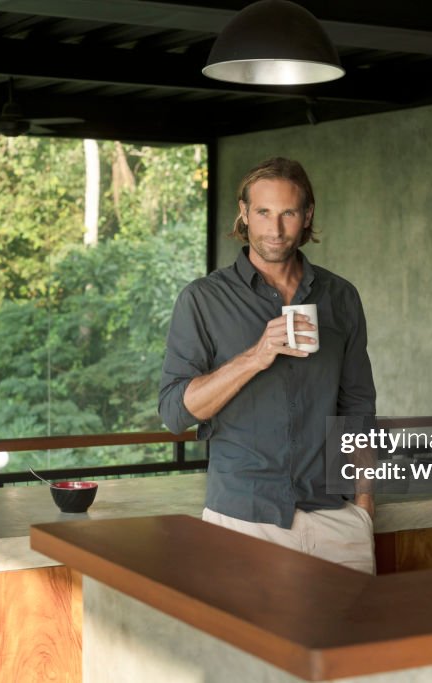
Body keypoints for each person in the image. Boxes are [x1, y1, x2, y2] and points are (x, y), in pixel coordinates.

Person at [158, 157, 377, 574]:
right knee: (241, 643)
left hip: (337, 520)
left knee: (354, 639)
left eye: (288, 213)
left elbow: (358, 409)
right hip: (243, 523)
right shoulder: (203, 300)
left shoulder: (341, 297)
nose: (274, 230)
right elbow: (174, 413)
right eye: (263, 213)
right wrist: (254, 358)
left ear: (307, 215)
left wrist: (364, 505)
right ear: (244, 213)